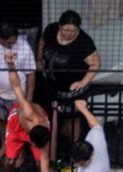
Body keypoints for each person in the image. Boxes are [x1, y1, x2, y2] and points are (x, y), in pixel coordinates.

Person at [0, 52, 53, 172]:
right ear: (30, 134)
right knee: (10, 159)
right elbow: (16, 86)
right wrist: (10, 64)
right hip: (16, 126)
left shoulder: (44, 134)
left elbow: (46, 169)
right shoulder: (28, 112)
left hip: (36, 133)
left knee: (41, 163)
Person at [37, 10, 100, 142]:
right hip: (52, 84)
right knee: (55, 113)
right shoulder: (51, 29)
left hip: (71, 90)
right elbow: (42, 40)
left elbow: (95, 64)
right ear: (59, 26)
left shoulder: (84, 42)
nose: (69, 33)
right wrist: (39, 59)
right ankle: (59, 137)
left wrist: (83, 82)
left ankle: (74, 144)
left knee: (73, 117)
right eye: (65, 30)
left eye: (73, 30)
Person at [0, 21, 36, 163]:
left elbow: (31, 74)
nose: (12, 45)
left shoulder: (24, 47)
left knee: (19, 124)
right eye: (8, 43)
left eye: (14, 41)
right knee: (1, 121)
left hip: (16, 95)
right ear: (0, 38)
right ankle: (5, 147)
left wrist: (28, 99)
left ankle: (21, 152)